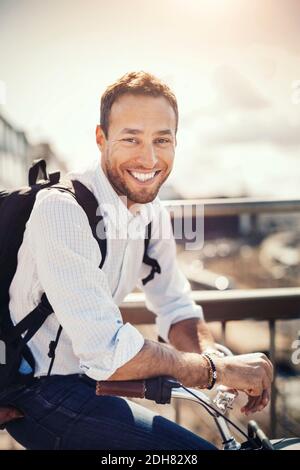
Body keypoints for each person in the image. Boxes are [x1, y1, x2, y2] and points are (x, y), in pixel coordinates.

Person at [0, 72, 273, 450]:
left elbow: (175, 305)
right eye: (131, 138)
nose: (149, 157)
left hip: (92, 382)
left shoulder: (151, 212)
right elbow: (109, 353)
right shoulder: (62, 211)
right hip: (41, 394)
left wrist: (213, 359)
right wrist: (215, 371)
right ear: (101, 139)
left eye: (162, 140)